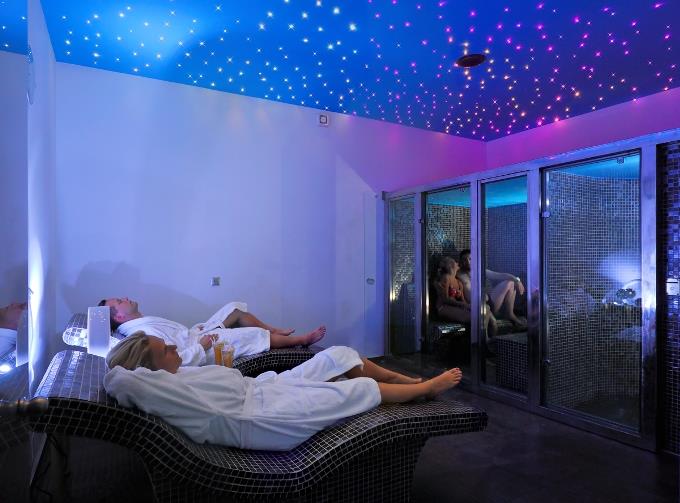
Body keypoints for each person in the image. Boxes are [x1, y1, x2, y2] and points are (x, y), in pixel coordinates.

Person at [104, 331, 463, 451]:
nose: (173, 347)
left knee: (339, 355)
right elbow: (120, 379)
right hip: (260, 417)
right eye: (164, 349)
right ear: (146, 370)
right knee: (355, 390)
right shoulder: (160, 388)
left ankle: (402, 381)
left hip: (265, 389)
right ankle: (423, 389)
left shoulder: (176, 374)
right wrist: (119, 364)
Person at [98, 298, 326, 366]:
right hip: (204, 348)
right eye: (119, 301)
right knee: (250, 335)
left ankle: (274, 330)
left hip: (197, 334)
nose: (125, 298)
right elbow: (174, 358)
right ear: (119, 317)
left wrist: (196, 332)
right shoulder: (143, 331)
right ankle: (301, 340)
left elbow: (176, 338)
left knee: (234, 309)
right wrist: (201, 346)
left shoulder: (142, 324)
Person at [457, 250, 526, 330]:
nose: (468, 262)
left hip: (488, 302)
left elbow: (499, 275)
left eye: (470, 259)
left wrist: (517, 280)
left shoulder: (479, 270)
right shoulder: (458, 274)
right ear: (461, 262)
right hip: (475, 306)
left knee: (510, 282)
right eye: (464, 260)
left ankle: (510, 314)